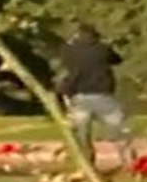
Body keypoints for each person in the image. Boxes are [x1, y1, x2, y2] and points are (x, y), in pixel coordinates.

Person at [55, 23, 133, 166]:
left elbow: (64, 61)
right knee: (118, 130)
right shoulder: (102, 49)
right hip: (103, 95)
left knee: (82, 135)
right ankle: (129, 162)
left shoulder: (68, 50)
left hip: (79, 96)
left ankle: (87, 165)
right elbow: (117, 59)